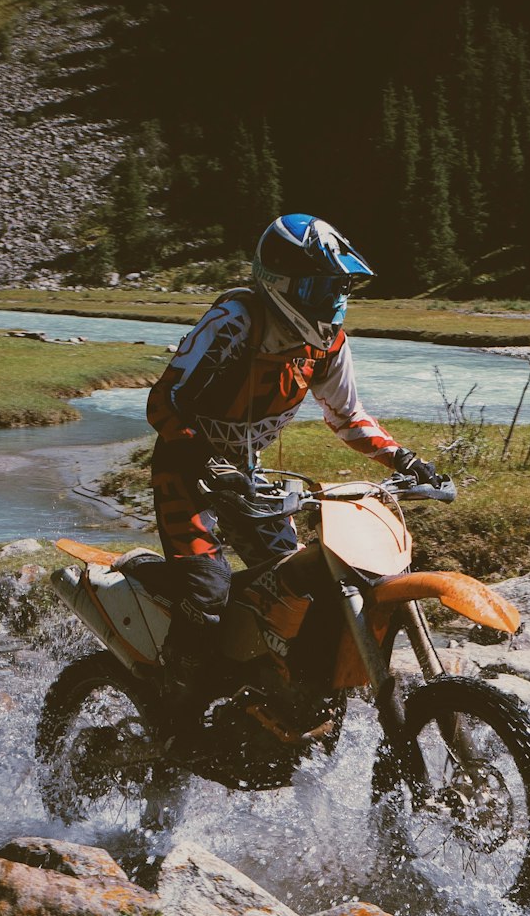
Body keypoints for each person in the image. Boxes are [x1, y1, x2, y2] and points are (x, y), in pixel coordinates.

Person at [146, 212, 441, 728]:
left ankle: (267, 696)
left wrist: (405, 459)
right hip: (186, 470)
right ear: (281, 283)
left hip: (247, 478)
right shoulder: (237, 318)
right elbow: (165, 402)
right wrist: (207, 459)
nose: (333, 298)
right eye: (320, 286)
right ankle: (175, 708)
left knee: (298, 586)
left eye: (339, 286)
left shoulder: (327, 342)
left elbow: (347, 416)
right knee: (207, 592)